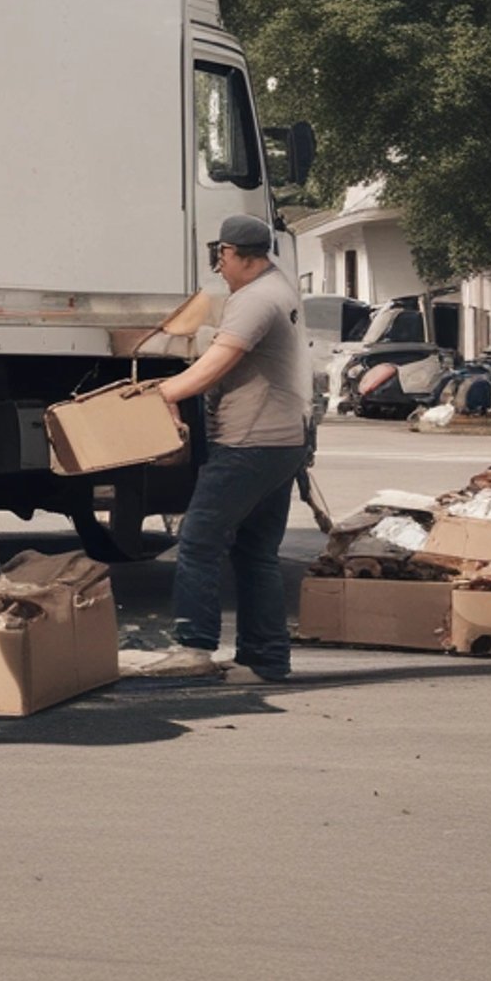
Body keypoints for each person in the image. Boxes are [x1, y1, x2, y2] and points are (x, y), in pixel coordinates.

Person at [136, 212, 314, 682]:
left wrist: (162, 394)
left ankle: (194, 647)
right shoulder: (280, 288)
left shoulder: (256, 299)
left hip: (251, 442)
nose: (219, 268)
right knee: (256, 551)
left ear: (235, 255)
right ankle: (267, 659)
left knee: (198, 539)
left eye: (221, 257)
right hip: (283, 439)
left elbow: (217, 363)